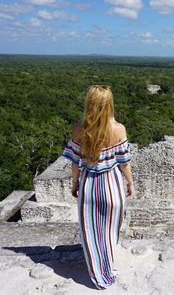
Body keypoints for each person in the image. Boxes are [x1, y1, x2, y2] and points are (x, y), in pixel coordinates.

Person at [62, 84, 134, 290]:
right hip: (112, 184)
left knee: (92, 232)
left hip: (90, 185)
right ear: (109, 104)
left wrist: (75, 184)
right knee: (111, 231)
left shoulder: (79, 129)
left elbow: (75, 163)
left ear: (89, 104)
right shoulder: (119, 129)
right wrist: (130, 183)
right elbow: (124, 163)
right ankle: (109, 266)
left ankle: (97, 272)